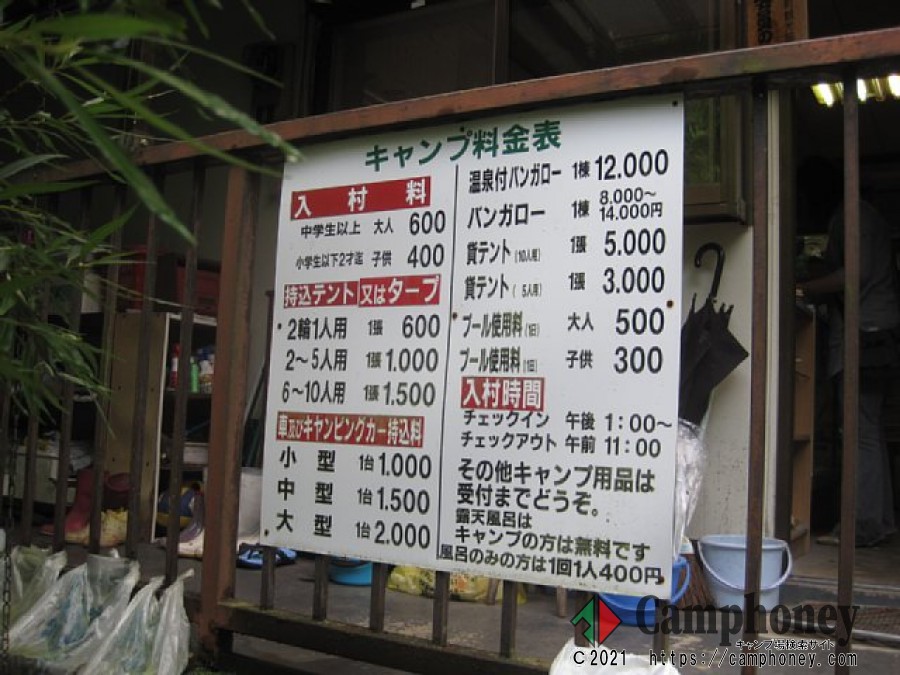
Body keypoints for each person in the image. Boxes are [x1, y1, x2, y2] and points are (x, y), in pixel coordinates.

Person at [797, 160, 900, 548]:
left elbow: (851, 275)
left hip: (864, 337)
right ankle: (878, 520)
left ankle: (862, 525)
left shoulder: (852, 216)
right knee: (869, 432)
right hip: (878, 336)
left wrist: (805, 287)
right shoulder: (864, 215)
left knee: (859, 433)